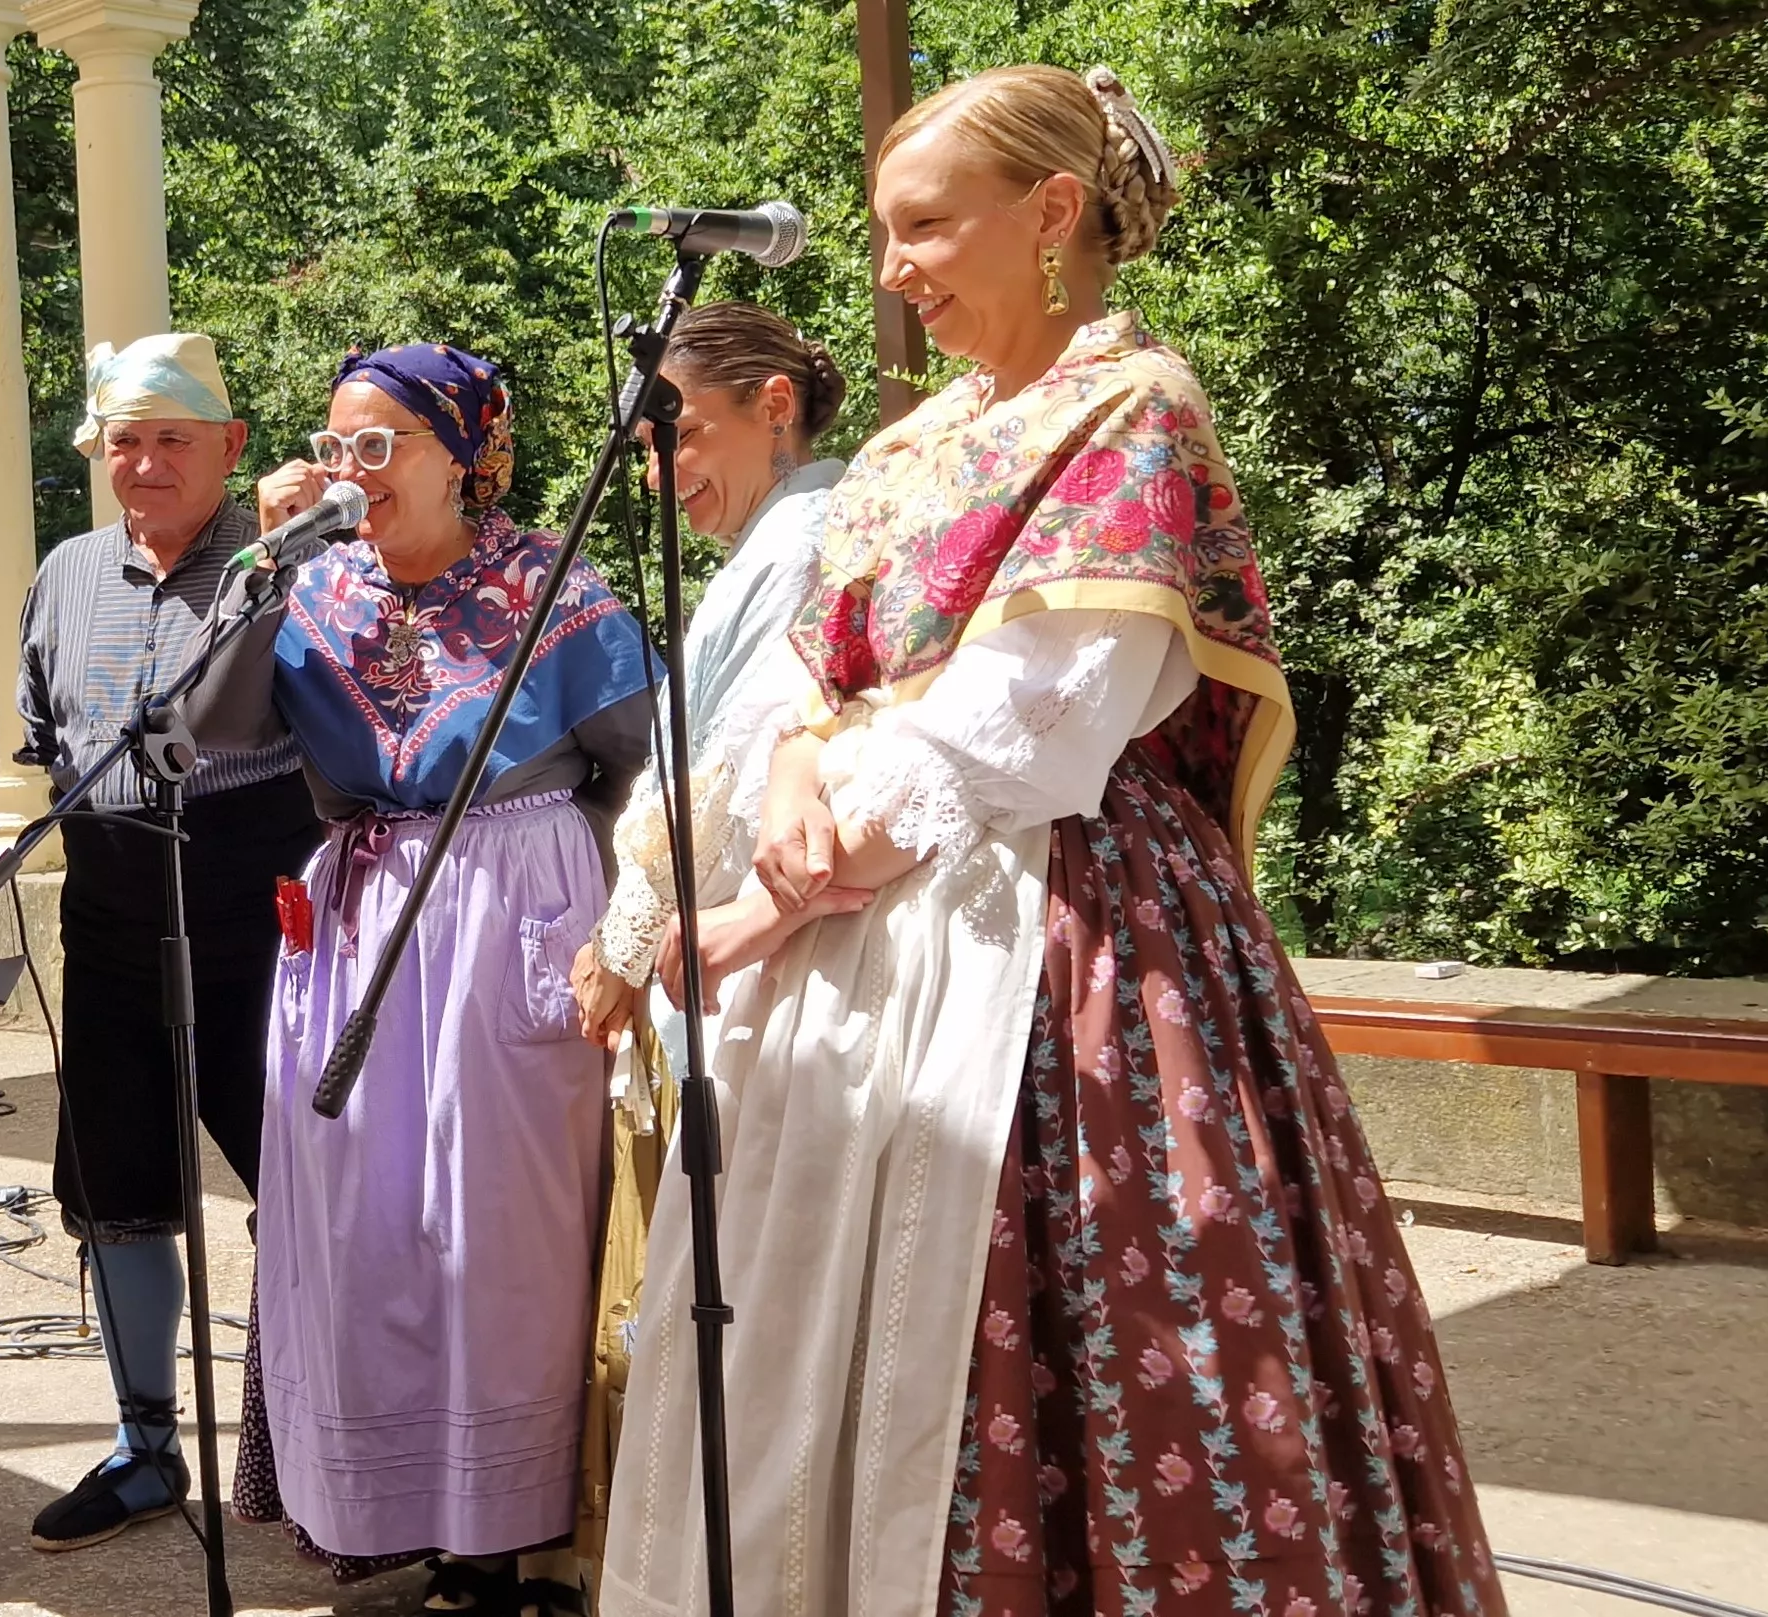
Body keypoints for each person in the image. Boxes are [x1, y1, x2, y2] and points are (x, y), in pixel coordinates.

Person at [606, 67, 1506, 1617]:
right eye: (889, 235)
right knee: (782, 1368)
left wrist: (772, 897)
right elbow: (796, 690)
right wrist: (753, 809)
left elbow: (1041, 719)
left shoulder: (1132, 407)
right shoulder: (903, 448)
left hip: (1059, 935)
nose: (894, 271)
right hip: (852, 972)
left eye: (926, 228)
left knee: (1061, 1328)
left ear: (1054, 214)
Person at [236, 341, 664, 1610]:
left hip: (512, 915)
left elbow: (644, 766)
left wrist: (607, 923)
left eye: (381, 446)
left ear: (465, 457)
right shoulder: (308, 589)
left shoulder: (558, 593)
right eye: (336, 446)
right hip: (360, 915)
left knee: (498, 1230)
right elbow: (205, 736)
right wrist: (260, 575)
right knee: (364, 1225)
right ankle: (393, 1518)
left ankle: (516, 1539)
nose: (351, 471)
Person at [559, 302, 856, 1575]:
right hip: (722, 963)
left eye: (680, 430)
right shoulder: (776, 540)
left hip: (762, 958)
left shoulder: (813, 537)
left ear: (773, 404)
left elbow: (731, 763)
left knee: (730, 1316)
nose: (662, 471)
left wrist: (626, 935)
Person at [13, 331, 322, 1552]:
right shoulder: (67, 568)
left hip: (257, 889)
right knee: (119, 1190)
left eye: (171, 440)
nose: (143, 465)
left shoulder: (288, 566)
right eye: (123, 442)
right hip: (106, 893)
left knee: (296, 1181)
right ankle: (145, 1451)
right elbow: (45, 731)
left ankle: (311, 1441)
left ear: (231, 449)